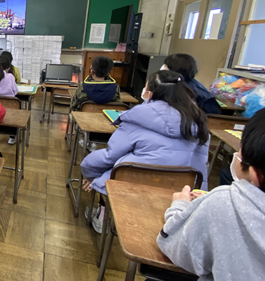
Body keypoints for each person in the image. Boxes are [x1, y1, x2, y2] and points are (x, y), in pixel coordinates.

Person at [145, 100, 265, 281]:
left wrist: (180, 207)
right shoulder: (197, 120)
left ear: (256, 174)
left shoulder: (225, 204)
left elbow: (175, 246)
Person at [80, 70, 209, 233]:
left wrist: (90, 173)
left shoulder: (137, 117)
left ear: (150, 92)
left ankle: (102, 217)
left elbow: (110, 155)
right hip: (176, 193)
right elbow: (200, 167)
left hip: (129, 187)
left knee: (112, 169)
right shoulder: (199, 122)